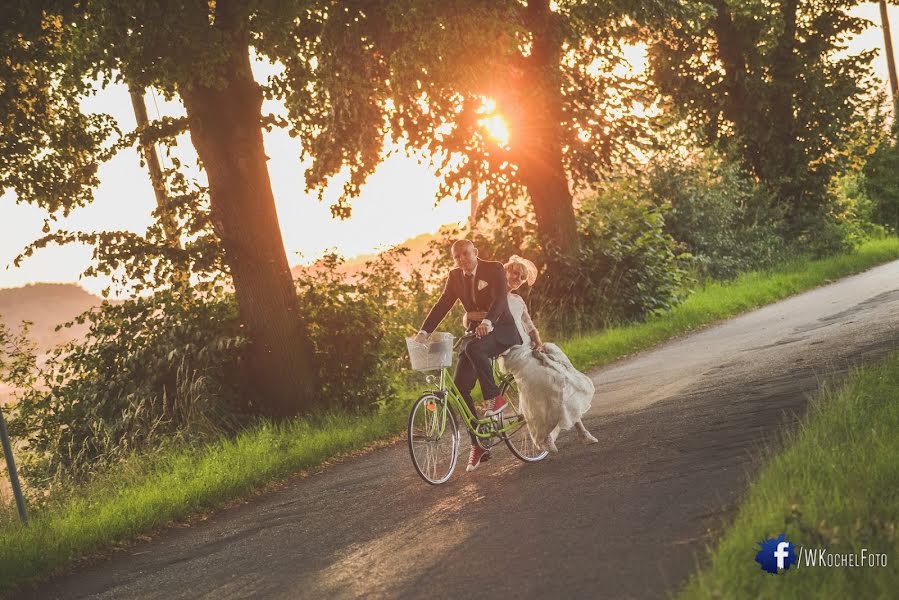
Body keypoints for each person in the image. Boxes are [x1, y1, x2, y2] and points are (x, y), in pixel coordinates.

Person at [413, 240, 523, 472]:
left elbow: (501, 300)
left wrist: (486, 321)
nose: (461, 259)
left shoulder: (493, 269)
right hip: (476, 335)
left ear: (475, 253)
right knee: (460, 387)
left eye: (465, 254)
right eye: (457, 256)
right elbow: (442, 305)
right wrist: (424, 332)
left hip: (500, 331)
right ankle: (479, 443)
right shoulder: (454, 277)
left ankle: (495, 397)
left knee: (474, 349)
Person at [490, 256, 599, 452]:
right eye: (515, 273)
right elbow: (476, 318)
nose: (517, 278)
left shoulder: (517, 300)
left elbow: (529, 325)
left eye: (522, 277)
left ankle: (581, 430)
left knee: (561, 377)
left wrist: (538, 342)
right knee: (545, 381)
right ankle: (543, 435)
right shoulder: (493, 297)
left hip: (529, 348)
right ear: (505, 271)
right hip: (512, 354)